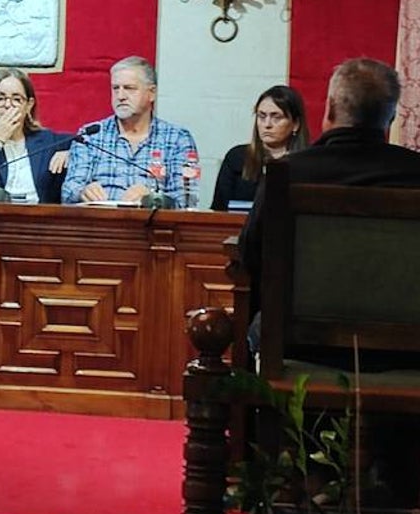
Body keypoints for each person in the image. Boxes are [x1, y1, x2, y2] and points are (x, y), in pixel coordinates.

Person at [240, 58, 420, 351]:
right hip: (406, 352)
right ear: (390, 118)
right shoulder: (415, 173)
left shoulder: (287, 173)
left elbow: (251, 254)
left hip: (301, 347)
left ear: (330, 109)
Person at [61, 55, 197, 206]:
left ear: (151, 93)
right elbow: (68, 191)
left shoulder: (177, 139)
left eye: (129, 88)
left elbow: (184, 200)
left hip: (152, 225)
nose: (120, 96)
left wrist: (153, 198)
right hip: (101, 223)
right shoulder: (91, 135)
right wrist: (83, 192)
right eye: (115, 88)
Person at [0, 68, 70, 203]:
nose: (8, 105)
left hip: (38, 218)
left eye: (16, 99)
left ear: (29, 105)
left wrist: (70, 153)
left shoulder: (47, 141)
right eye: (1, 98)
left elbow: (87, 142)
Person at [211, 84, 310, 212]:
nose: (267, 124)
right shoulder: (237, 158)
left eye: (276, 117)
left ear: (295, 124)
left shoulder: (308, 162)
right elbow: (219, 211)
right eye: (261, 116)